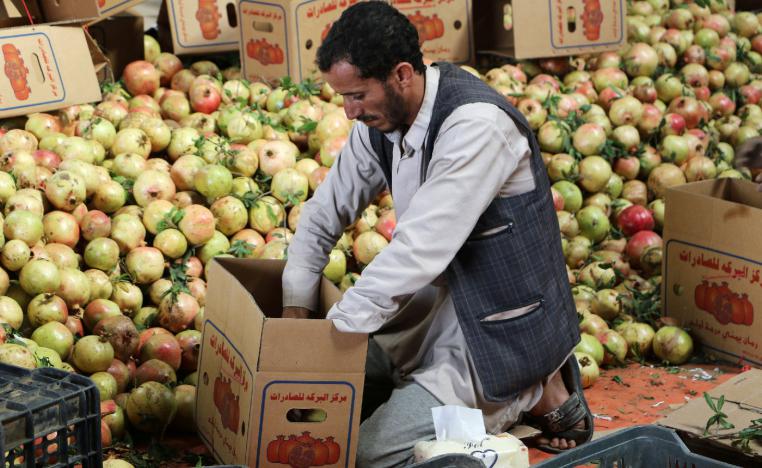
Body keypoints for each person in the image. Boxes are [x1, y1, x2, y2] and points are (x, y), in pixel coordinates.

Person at [281, 2, 593, 466]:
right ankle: (504, 391)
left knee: (370, 453)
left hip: (492, 331)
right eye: (342, 97)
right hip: (432, 312)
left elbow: (417, 251)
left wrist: (331, 337)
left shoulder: (475, 126)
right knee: (315, 407)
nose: (348, 112)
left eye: (358, 95)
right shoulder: (379, 123)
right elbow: (324, 211)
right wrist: (294, 323)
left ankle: (535, 389)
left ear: (402, 74)